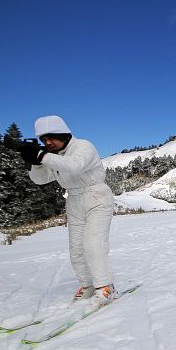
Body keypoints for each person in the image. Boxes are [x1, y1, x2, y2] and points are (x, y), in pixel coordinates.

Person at [20, 115, 116, 307]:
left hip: (97, 196)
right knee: (77, 249)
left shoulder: (83, 147)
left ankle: (105, 287)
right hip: (73, 200)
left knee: (93, 244)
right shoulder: (53, 156)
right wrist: (35, 163)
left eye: (52, 138)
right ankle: (88, 284)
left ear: (64, 134)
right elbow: (40, 179)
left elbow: (74, 166)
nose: (48, 143)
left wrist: (41, 156)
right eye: (44, 140)